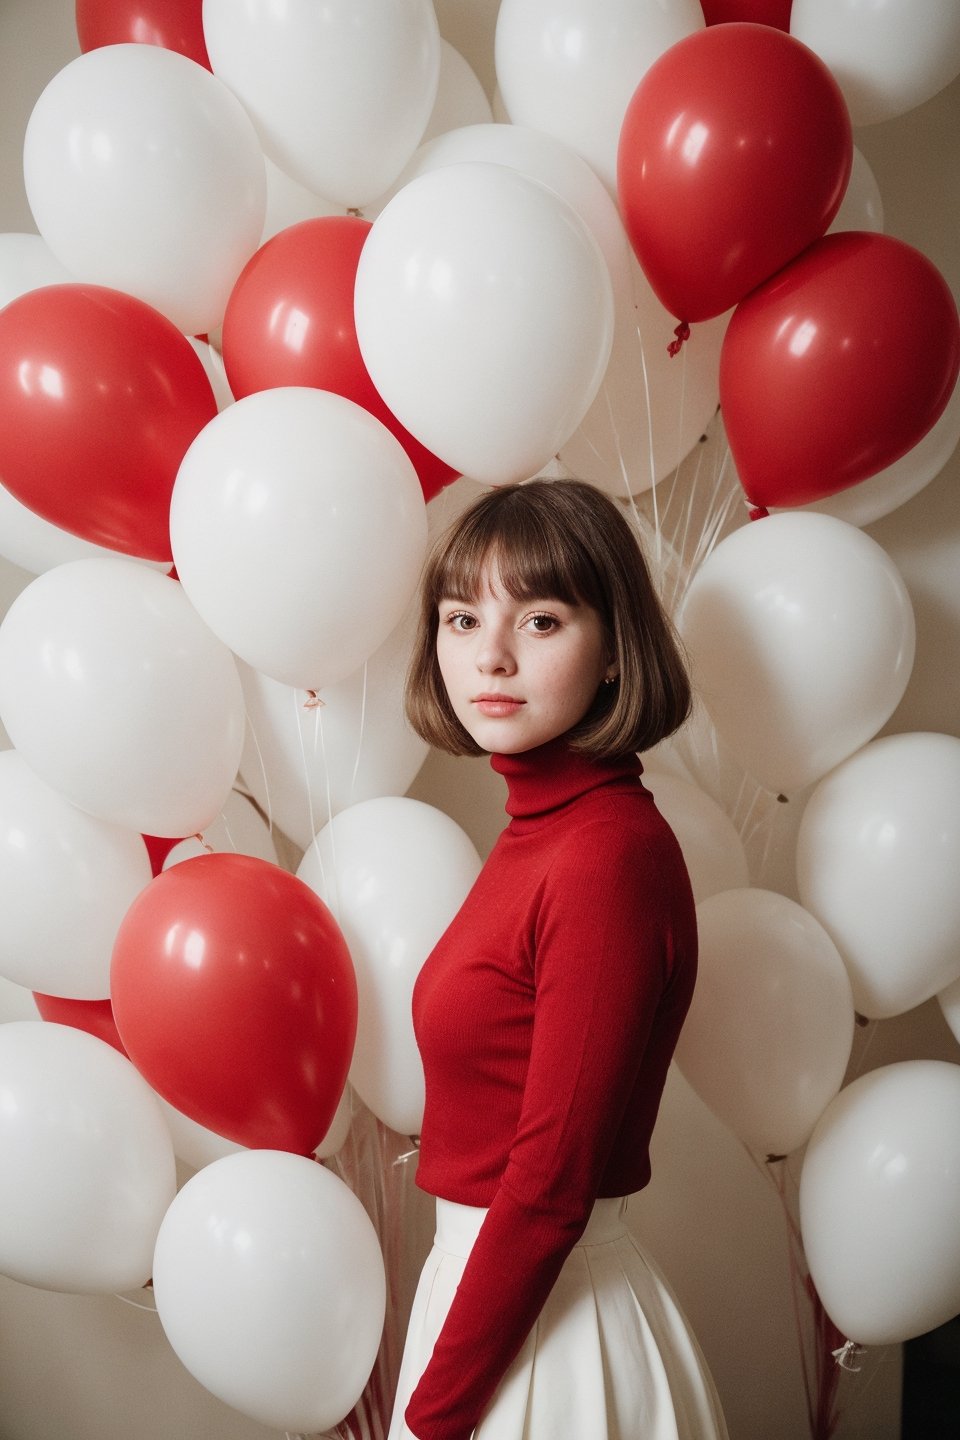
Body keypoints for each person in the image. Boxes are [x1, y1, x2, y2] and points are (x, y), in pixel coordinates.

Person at [388, 478, 728, 1440]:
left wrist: (434, 1418)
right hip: (490, 1303)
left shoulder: (604, 853)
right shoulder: (540, 830)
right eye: (461, 619)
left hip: (551, 1331)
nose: (488, 655)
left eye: (539, 620)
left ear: (616, 644)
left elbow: (549, 1185)